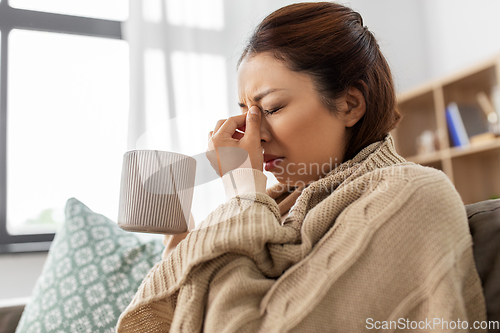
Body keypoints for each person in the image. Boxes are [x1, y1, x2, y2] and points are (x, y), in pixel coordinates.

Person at [116, 2, 486, 332]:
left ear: (350, 105)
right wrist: (187, 243)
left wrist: (243, 194)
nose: (252, 132)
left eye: (272, 108)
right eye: (245, 112)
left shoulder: (411, 194)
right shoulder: (276, 206)